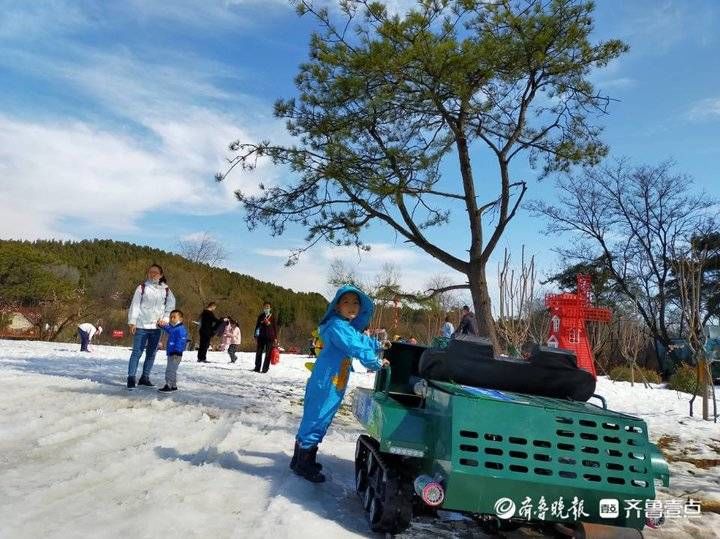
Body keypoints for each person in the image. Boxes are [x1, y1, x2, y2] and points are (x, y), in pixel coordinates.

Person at [291, 285, 389, 483]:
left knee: (320, 417)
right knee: (317, 417)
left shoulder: (345, 326)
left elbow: (360, 339)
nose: (352, 306)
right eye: (346, 302)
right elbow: (354, 346)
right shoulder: (336, 326)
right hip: (327, 380)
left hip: (336, 379)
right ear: (337, 307)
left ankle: (300, 459)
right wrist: (376, 362)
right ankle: (303, 463)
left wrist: (378, 345)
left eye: (356, 303)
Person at [126, 264, 176, 388]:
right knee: (136, 353)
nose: (152, 274)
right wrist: (132, 321)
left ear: (161, 275)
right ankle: (131, 378)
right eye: (150, 272)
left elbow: (170, 306)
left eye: (155, 272)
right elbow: (135, 305)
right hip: (141, 325)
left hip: (157, 327)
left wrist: (165, 319)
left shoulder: (166, 290)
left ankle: (145, 377)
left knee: (151, 353)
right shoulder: (142, 287)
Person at [157, 310, 188, 392]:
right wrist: (161, 325)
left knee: (170, 370)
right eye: (171, 317)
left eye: (174, 317)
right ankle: (173, 385)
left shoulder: (181, 329)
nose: (172, 319)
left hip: (176, 354)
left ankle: (169, 385)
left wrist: (177, 351)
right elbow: (168, 328)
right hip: (171, 353)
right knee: (172, 369)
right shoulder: (174, 328)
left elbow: (181, 341)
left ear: (180, 319)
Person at [253, 301, 277, 373]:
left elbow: (275, 328)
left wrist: (276, 338)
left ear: (270, 308)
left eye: (268, 307)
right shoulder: (260, 316)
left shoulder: (272, 317)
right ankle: (257, 368)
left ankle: (265, 369)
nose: (266, 308)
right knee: (259, 353)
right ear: (263, 307)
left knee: (268, 354)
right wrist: (255, 335)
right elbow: (257, 326)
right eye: (265, 307)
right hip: (261, 337)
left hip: (270, 338)